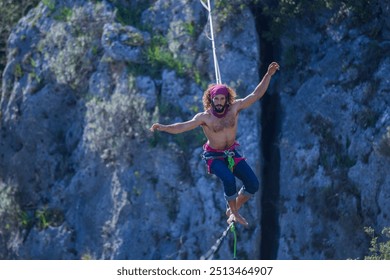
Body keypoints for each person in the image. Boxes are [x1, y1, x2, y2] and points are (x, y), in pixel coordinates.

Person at [150, 62, 280, 226]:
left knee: (253, 184)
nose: (218, 102)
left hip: (231, 154)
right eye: (216, 99)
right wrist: (163, 127)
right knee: (228, 179)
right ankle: (234, 212)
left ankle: (234, 207)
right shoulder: (205, 118)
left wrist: (268, 75)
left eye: (221, 98)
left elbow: (256, 95)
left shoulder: (234, 108)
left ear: (227, 99)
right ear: (211, 100)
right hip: (214, 157)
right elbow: (182, 127)